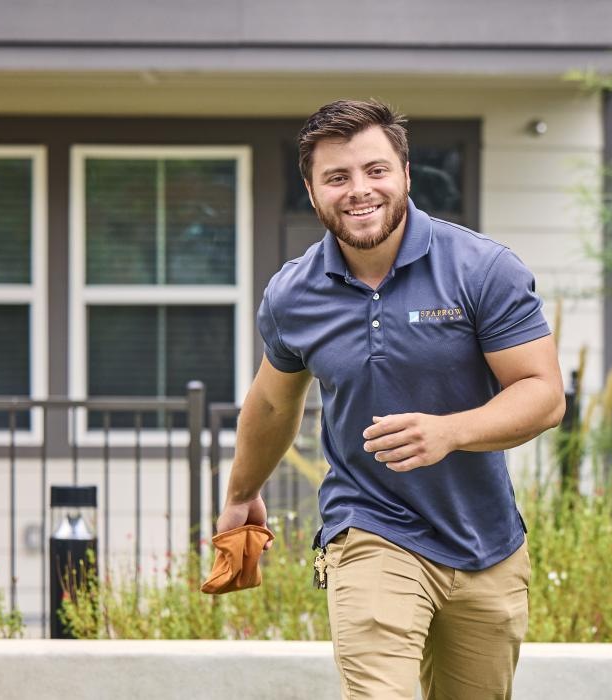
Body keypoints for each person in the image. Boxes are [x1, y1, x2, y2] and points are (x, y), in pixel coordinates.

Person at [214, 98, 564, 700]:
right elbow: (272, 404)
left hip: (487, 542)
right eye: (337, 177)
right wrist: (241, 494)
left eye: (375, 170)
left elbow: (543, 393)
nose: (359, 190)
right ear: (312, 189)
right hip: (370, 527)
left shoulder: (482, 270)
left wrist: (451, 432)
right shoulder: (294, 295)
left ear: (405, 172)